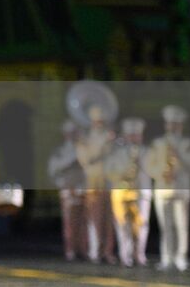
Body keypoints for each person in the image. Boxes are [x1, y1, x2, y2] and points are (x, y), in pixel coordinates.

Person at [145, 105, 189, 271]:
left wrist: (181, 157)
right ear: (166, 125)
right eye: (170, 123)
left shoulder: (187, 143)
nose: (173, 127)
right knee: (166, 225)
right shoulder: (157, 143)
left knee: (181, 225)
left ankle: (180, 258)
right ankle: (167, 257)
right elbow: (149, 165)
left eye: (176, 124)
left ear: (181, 125)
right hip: (163, 187)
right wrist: (162, 173)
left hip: (182, 188)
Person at [106, 117, 151, 267]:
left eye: (136, 134)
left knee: (141, 224)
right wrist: (121, 174)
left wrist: (141, 164)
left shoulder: (147, 152)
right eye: (130, 134)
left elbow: (154, 170)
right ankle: (125, 256)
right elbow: (109, 171)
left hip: (140, 192)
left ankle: (139, 254)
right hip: (120, 192)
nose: (133, 138)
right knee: (122, 224)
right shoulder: (116, 152)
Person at [76, 105, 117, 263]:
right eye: (97, 121)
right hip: (93, 183)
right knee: (94, 219)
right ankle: (94, 251)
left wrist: (110, 144)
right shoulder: (84, 140)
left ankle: (108, 251)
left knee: (109, 220)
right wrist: (104, 147)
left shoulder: (110, 137)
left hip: (109, 182)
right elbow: (87, 160)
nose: (99, 124)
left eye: (101, 121)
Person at [48, 120, 86, 262]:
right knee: (69, 221)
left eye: (74, 133)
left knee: (83, 221)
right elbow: (53, 171)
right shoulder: (59, 151)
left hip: (82, 188)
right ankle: (70, 250)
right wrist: (62, 184)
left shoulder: (83, 148)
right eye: (69, 133)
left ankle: (83, 249)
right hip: (67, 189)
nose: (71, 136)